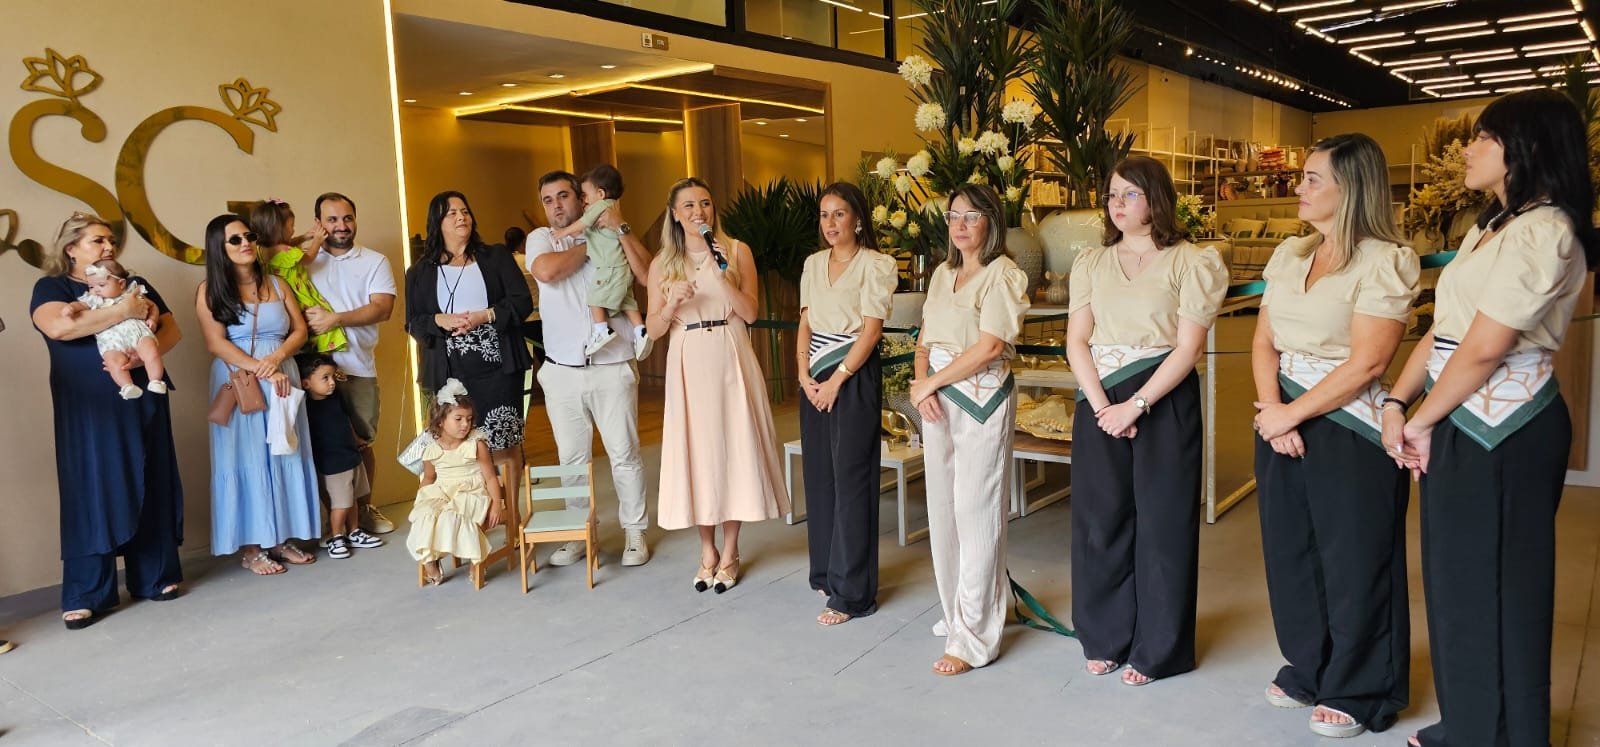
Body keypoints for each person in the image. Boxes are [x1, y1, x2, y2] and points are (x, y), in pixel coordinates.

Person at [1384, 89, 1596, 747]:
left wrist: (1421, 419)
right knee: (1457, 581)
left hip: (1506, 427)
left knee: (1502, 584)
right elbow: (1444, 330)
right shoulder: (1492, 224)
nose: (1466, 149)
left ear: (1525, 146)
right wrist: (1396, 402)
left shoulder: (1547, 230)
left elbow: (1486, 346)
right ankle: (1471, 723)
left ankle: (1506, 733)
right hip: (1459, 415)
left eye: (1483, 137)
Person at [1249, 134, 1419, 738]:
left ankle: (1362, 685)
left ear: (1352, 190)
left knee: (1355, 560)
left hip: (1349, 427)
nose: (1299, 187)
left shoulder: (1386, 259)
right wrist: (1273, 410)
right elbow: (1264, 340)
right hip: (1281, 418)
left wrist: (1290, 415)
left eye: (1313, 178)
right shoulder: (1290, 255)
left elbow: (1369, 362)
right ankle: (1311, 665)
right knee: (1291, 553)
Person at [1065, 156, 1228, 686]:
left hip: (1163, 396)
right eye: (1112, 194)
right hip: (1099, 399)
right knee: (1100, 521)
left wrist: (1136, 405)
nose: (1117, 203)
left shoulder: (1192, 261)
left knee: (1163, 523)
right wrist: (1101, 408)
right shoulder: (1091, 262)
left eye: (1130, 194)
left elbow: (1189, 347)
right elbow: (1077, 341)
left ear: (1156, 199)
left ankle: (1160, 648)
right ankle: (1104, 636)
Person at [30, 212, 184, 629]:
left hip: (142, 394)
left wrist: (142, 355)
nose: (108, 246)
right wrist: (125, 311)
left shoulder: (135, 283)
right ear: (71, 249)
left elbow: (171, 331)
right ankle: (87, 592)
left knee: (150, 476)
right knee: (90, 488)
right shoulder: (53, 288)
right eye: (97, 240)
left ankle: (154, 576)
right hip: (87, 408)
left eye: (110, 240)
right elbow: (60, 328)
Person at [647, 176, 789, 594]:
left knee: (733, 447)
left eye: (705, 203)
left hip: (730, 349)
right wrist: (671, 303)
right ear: (675, 214)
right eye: (689, 205)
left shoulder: (737, 250)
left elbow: (750, 313)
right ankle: (706, 550)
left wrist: (725, 277)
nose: (699, 212)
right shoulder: (662, 263)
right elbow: (653, 330)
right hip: (688, 355)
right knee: (699, 451)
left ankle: (730, 550)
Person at [910, 183, 1030, 676]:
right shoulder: (942, 274)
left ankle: (975, 636)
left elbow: (989, 347)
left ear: (991, 222)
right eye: (953, 216)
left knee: (976, 513)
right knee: (943, 511)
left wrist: (930, 383)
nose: (960, 225)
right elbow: (924, 341)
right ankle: (958, 612)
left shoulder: (1004, 275)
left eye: (972, 216)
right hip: (936, 400)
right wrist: (920, 384)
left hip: (981, 401)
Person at [526, 171, 654, 568]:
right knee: (571, 459)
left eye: (563, 196)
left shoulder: (615, 227)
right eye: (548, 199)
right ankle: (579, 533)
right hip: (562, 370)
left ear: (582, 199)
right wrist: (594, 241)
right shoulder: (542, 238)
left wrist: (619, 230)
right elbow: (547, 271)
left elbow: (647, 274)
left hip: (612, 365)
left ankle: (635, 532)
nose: (556, 205)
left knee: (624, 453)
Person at [197, 214, 322, 574]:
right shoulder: (209, 290)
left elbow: (300, 330)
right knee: (245, 457)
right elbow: (215, 342)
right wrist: (261, 368)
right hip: (240, 379)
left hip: (282, 375)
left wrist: (277, 358)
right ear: (219, 248)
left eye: (248, 236)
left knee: (284, 451)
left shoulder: (278, 284)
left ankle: (280, 539)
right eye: (234, 240)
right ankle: (252, 549)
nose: (245, 243)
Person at [796, 181, 897, 626]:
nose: (831, 223)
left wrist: (838, 379)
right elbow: (805, 323)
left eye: (839, 214)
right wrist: (803, 374)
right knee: (820, 476)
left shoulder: (877, 264)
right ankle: (826, 572)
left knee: (852, 479)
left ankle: (853, 593)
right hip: (815, 377)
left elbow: (871, 331)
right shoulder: (812, 264)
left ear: (857, 218)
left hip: (852, 376)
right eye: (825, 215)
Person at [404, 191, 533, 500]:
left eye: (465, 211)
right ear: (437, 222)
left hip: (499, 369)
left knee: (503, 445)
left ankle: (511, 516)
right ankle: (470, 514)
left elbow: (522, 302)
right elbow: (412, 322)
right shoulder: (420, 272)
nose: (461, 217)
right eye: (451, 213)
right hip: (448, 373)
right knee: (456, 448)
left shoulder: (496, 257)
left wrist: (485, 315)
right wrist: (438, 319)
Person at [307, 192, 397, 535]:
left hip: (358, 366)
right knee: (322, 444)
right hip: (313, 371)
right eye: (332, 219)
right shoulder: (306, 261)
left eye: (347, 218)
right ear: (319, 223)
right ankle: (335, 524)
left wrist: (336, 319)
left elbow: (382, 308)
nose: (341, 226)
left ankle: (364, 512)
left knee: (361, 442)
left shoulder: (374, 261)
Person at [407, 379, 504, 586]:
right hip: (442, 491)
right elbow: (429, 478)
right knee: (425, 515)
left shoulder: (475, 444)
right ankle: (429, 560)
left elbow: (490, 477)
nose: (465, 424)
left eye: (469, 419)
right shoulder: (431, 448)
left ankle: (475, 559)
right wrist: (420, 501)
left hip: (471, 491)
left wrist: (497, 503)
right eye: (458, 419)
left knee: (452, 515)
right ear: (440, 421)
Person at [551, 164, 649, 359]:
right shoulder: (611, 210)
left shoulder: (600, 207)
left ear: (601, 193)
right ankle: (640, 331)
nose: (583, 201)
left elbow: (583, 223)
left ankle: (601, 329)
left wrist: (563, 232)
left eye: (585, 195)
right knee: (628, 301)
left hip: (608, 266)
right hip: (620, 266)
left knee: (594, 298)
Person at [299, 354, 385, 559]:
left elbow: (345, 421)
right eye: (325, 378)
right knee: (341, 503)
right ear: (306, 383)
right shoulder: (307, 409)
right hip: (333, 464)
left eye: (332, 377)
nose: (331, 383)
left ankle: (354, 532)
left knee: (352, 498)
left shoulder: (335, 398)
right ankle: (336, 536)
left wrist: (356, 439)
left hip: (351, 457)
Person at [59, 259, 168, 399]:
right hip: (112, 341)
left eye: (101, 285)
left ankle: (155, 380)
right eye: (91, 286)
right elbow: (80, 305)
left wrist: (152, 319)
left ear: (121, 284)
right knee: (113, 362)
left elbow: (152, 306)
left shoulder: (131, 295)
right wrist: (71, 308)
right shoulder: (95, 300)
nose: (96, 290)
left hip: (139, 333)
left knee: (151, 351)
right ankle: (127, 386)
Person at [251, 199, 347, 354]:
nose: (293, 230)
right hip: (296, 292)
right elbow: (308, 258)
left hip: (278, 294)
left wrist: (304, 237)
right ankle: (325, 346)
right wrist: (317, 241)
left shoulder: (262, 249)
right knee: (318, 316)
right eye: (291, 226)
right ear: (279, 229)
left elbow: (288, 244)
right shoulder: (285, 250)